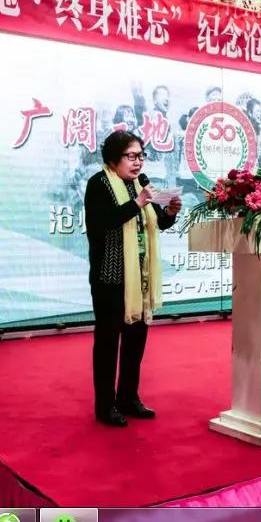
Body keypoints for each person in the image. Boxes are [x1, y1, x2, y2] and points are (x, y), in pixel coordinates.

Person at [85, 131, 182, 427]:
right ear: (113, 159)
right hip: (111, 275)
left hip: (140, 275)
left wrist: (169, 212)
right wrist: (137, 202)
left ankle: (128, 397)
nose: (138, 162)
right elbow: (103, 222)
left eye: (141, 156)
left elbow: (158, 222)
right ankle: (105, 406)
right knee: (108, 342)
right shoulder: (99, 183)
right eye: (132, 156)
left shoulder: (140, 183)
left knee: (136, 339)